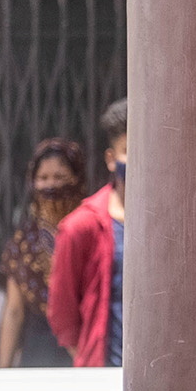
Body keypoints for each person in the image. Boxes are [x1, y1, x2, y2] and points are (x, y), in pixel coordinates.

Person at [47, 98, 129, 369]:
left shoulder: (174, 224)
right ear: (111, 159)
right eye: (129, 151)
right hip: (106, 371)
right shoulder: (80, 227)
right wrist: (89, 365)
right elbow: (62, 310)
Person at [0, 136, 86, 370]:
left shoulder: (91, 233)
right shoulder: (24, 241)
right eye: (43, 178)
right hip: (39, 350)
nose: (51, 185)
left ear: (76, 178)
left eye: (59, 177)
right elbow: (14, 310)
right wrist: (2, 369)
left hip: (86, 347)